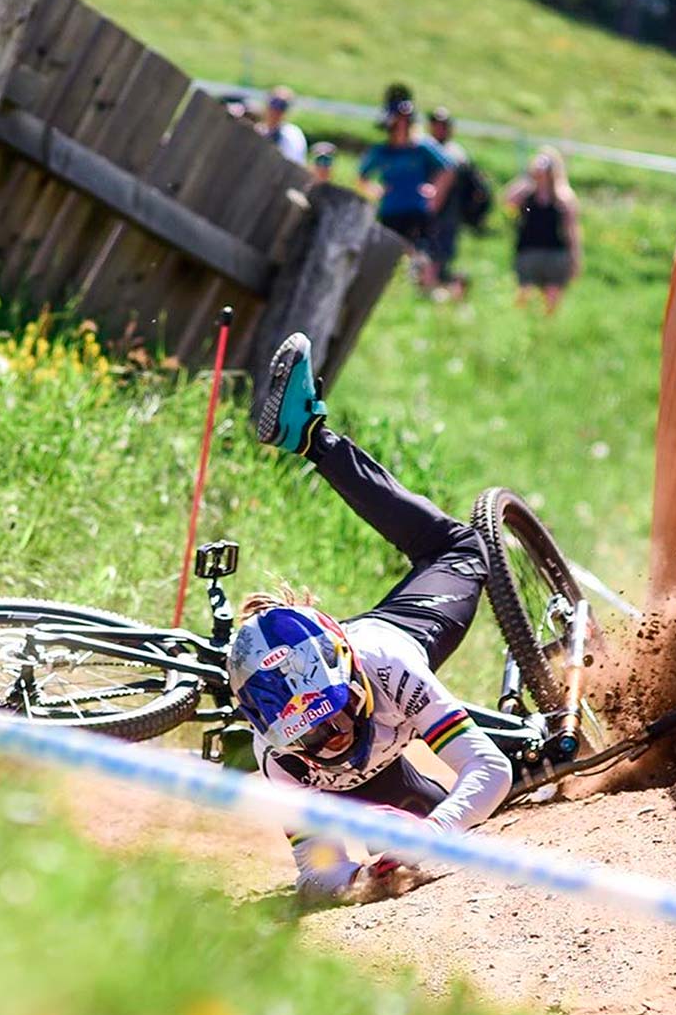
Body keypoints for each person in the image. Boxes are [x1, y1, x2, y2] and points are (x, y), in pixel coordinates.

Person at [231, 333, 513, 905]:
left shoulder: (384, 665)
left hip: (397, 635)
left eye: (331, 719)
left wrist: (431, 838)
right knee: (438, 829)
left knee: (461, 550)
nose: (331, 741)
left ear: (353, 680)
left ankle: (313, 439)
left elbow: (491, 767)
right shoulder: (278, 756)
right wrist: (371, 874)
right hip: (378, 777)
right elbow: (317, 871)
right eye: (307, 736)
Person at [358, 92, 456, 289]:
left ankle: (423, 287)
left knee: (421, 253)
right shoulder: (381, 151)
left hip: (417, 209)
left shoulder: (422, 147)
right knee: (390, 253)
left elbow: (448, 167)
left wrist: (435, 192)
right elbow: (362, 177)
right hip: (391, 210)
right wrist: (376, 190)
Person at [503, 146, 582, 314]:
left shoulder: (563, 195)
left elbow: (572, 230)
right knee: (524, 295)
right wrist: (529, 176)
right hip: (528, 251)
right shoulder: (527, 191)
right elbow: (508, 200)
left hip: (555, 254)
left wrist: (575, 258)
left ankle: (545, 332)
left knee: (552, 299)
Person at [425, 106, 470, 295]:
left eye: (442, 125)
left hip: (446, 215)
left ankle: (440, 289)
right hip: (424, 212)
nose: (438, 128)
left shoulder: (455, 153)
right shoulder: (424, 147)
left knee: (438, 256)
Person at [256, 86, 307, 165]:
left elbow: (295, 164)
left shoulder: (293, 135)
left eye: (282, 106)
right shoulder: (255, 130)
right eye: (274, 103)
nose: (276, 111)